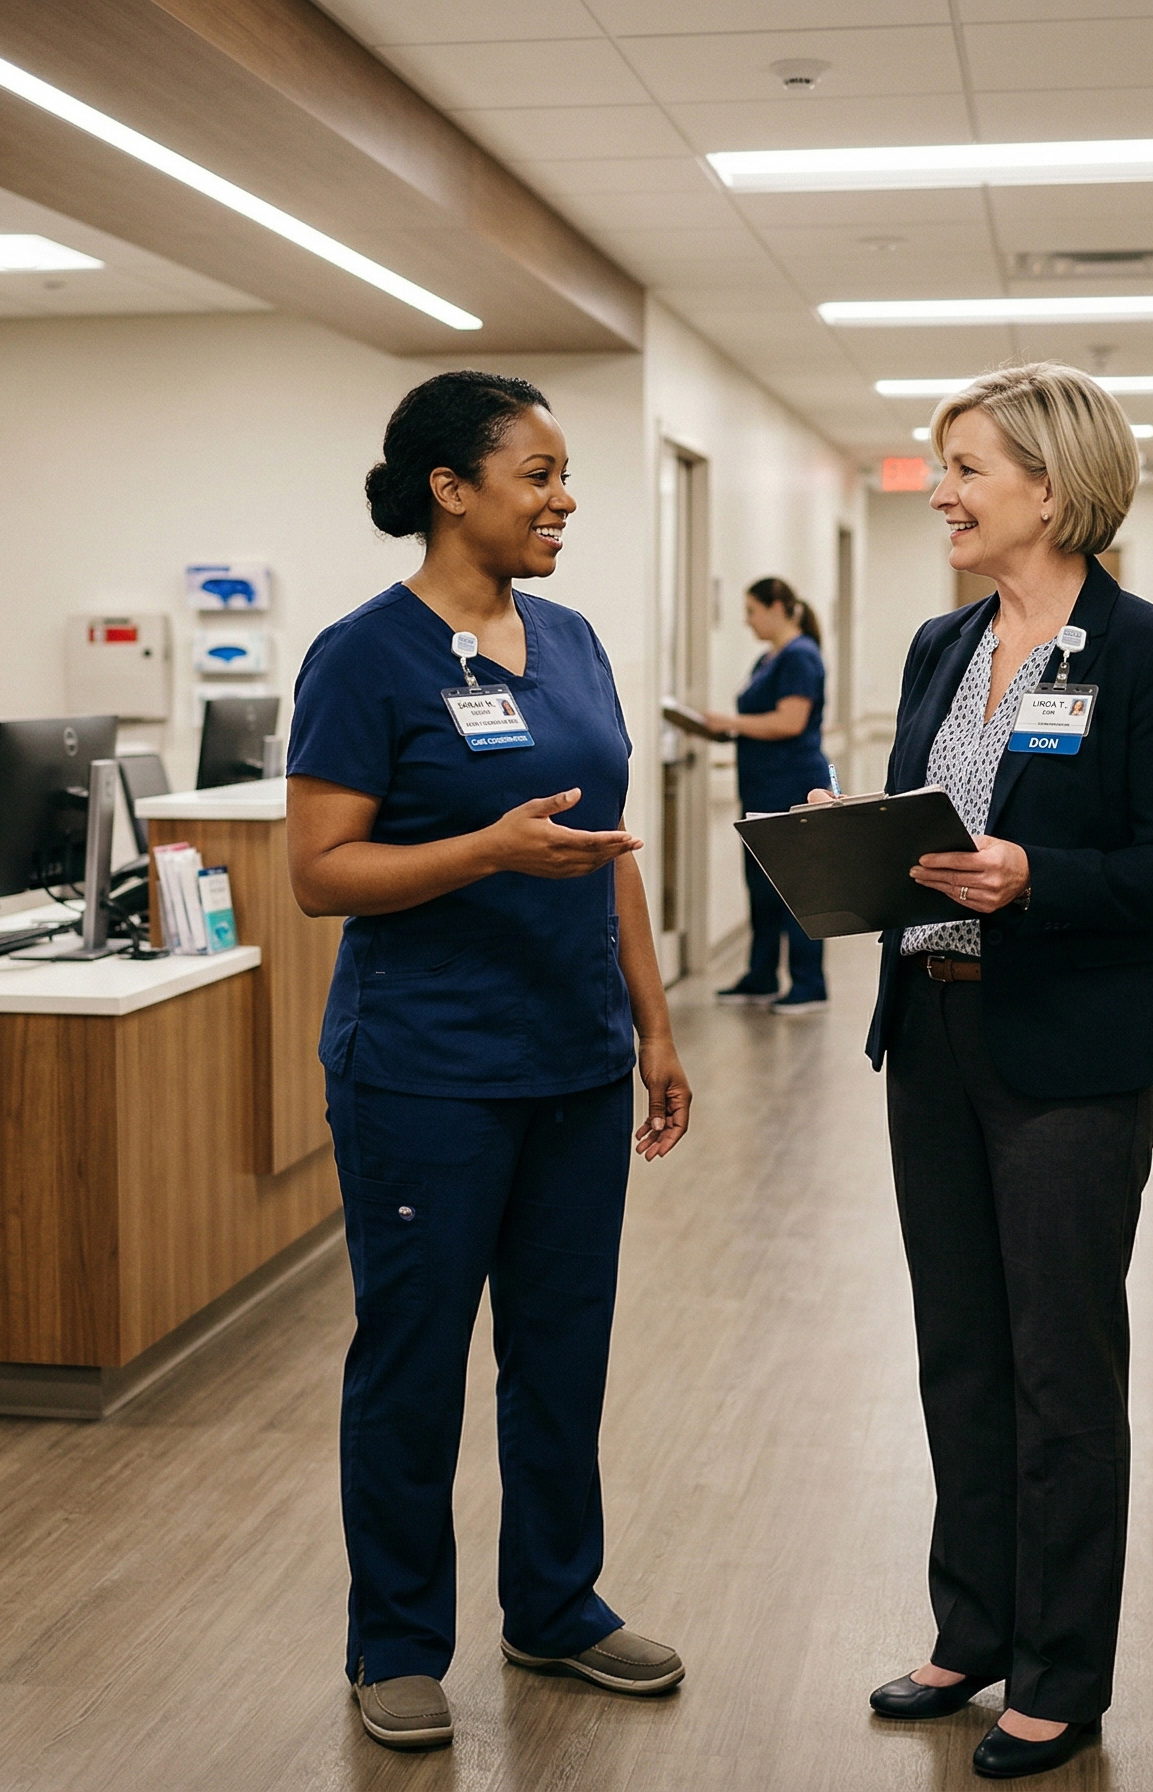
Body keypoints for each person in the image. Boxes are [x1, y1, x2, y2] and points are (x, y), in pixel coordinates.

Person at [286, 370, 692, 1754]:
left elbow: (608, 858)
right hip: (426, 1073)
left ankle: (555, 1604)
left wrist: (655, 1025)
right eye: (538, 472)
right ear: (451, 488)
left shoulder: (571, 641)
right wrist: (485, 850)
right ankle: (395, 1642)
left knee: (562, 1351)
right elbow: (320, 875)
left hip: (573, 1059)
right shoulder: (365, 657)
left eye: (566, 472)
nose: (563, 496)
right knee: (413, 1357)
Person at [832, 363, 1153, 1780]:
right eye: (942, 467)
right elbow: (925, 822)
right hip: (929, 1034)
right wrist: (854, 836)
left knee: (1063, 1366)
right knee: (959, 1352)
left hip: (1068, 1052)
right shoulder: (943, 648)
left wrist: (1034, 876)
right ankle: (972, 1627)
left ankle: (1061, 1669)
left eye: (966, 469)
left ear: (1051, 490)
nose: (941, 490)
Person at [704, 577, 831, 1014]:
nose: (747, 620)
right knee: (761, 887)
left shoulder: (800, 656)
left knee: (797, 888)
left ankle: (808, 983)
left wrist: (731, 723)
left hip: (793, 786)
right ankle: (760, 976)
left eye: (753, 610)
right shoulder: (767, 659)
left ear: (778, 607)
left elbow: (790, 722)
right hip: (761, 787)